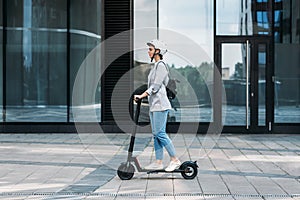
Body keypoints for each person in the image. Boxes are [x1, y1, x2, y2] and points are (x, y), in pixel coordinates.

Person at [134, 39, 181, 172]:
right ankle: (158, 162)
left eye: (150, 49)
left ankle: (175, 160)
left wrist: (142, 95)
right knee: (156, 134)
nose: (148, 51)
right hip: (154, 105)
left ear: (157, 51)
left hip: (160, 105)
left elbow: (155, 87)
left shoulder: (161, 65)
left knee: (160, 133)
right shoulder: (155, 66)